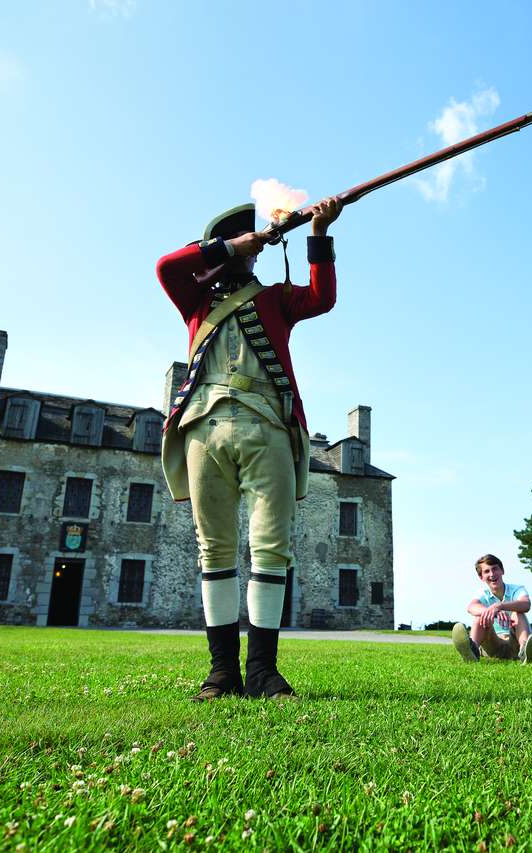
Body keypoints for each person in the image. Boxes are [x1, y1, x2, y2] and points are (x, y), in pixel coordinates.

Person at [156, 196, 343, 701]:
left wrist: (320, 234)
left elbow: (322, 298)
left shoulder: (274, 298)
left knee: (271, 551)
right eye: (244, 243)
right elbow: (166, 266)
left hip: (268, 429)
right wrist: (229, 245)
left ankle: (262, 671)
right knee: (212, 550)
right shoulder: (194, 299)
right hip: (202, 430)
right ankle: (222, 672)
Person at [452, 554, 532, 663]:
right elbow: (471, 607)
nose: (492, 574)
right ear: (481, 577)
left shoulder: (517, 589)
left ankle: (525, 651)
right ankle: (472, 651)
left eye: (495, 569)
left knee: (518, 614)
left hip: (515, 644)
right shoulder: (482, 594)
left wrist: (499, 606)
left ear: (502, 571)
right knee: (480, 616)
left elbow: (526, 604)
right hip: (493, 645)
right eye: (487, 571)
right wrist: (491, 612)